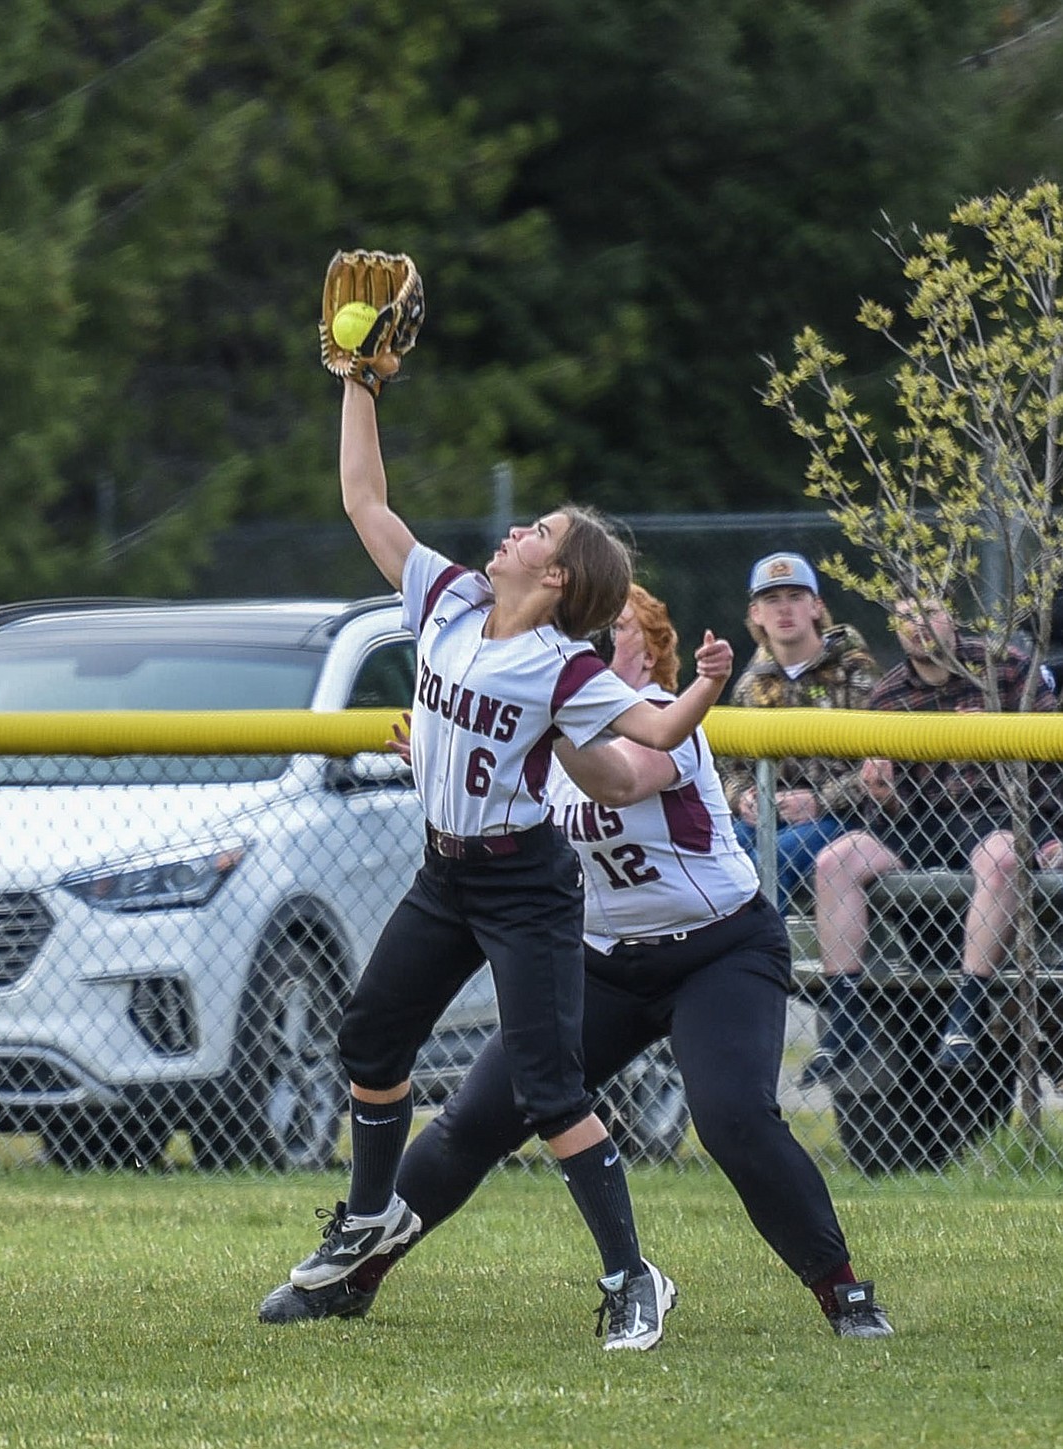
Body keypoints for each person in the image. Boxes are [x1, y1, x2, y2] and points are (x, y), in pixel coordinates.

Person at [260, 584, 893, 1341]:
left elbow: (618, 777)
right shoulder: (537, 726)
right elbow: (470, 804)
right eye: (578, 632)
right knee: (476, 1118)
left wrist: (543, 722)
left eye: (611, 632)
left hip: (716, 950)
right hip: (601, 961)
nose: (587, 645)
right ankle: (355, 1273)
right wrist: (441, 758)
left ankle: (845, 1291)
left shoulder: (666, 718)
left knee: (732, 1118)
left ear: (649, 648)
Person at [271, 379, 734, 1352]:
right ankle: (369, 1217)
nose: (518, 530)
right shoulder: (447, 596)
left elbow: (652, 728)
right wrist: (359, 384)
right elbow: (364, 498)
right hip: (444, 875)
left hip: (524, 882)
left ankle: (630, 1275)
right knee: (368, 1039)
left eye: (539, 531)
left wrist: (701, 686)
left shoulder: (564, 664)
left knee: (549, 1083)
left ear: (558, 579)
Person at [801, 596, 1063, 1087]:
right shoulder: (890, 693)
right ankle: (843, 1020)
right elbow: (893, 810)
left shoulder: (1003, 668)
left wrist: (1003, 742)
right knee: (835, 861)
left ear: (952, 616)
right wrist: (882, 792)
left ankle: (967, 1009)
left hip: (998, 815)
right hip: (922, 825)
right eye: (906, 618)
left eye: (930, 613)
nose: (919, 626)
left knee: (1003, 860)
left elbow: (1053, 765)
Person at [721, 552, 879, 910]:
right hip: (765, 817)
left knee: (775, 857)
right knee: (723, 854)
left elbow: (877, 765)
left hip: (841, 817)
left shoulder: (854, 671)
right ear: (756, 614)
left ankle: (763, 958)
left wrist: (819, 801)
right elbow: (730, 768)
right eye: (772, 600)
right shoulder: (750, 683)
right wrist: (742, 798)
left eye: (795, 597)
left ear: (816, 606)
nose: (784, 610)